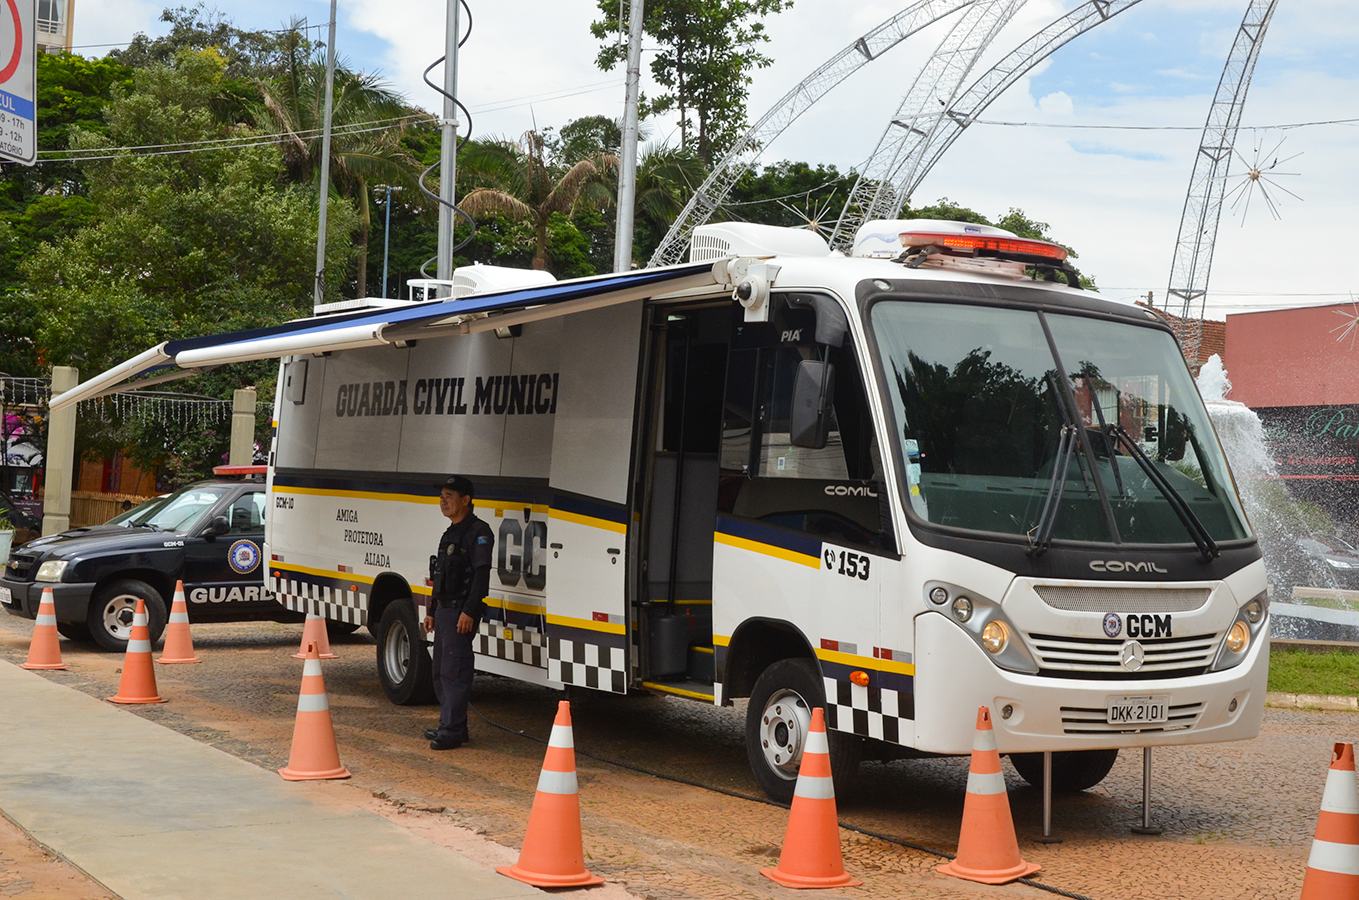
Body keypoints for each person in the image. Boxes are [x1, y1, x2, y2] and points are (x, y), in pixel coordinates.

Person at [422, 475, 494, 750]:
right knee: (440, 671)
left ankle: (450, 731)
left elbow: (481, 576)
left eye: (449, 497)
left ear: (466, 500)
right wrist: (432, 610)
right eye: (441, 497)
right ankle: (452, 725)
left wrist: (470, 611)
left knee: (455, 672)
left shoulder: (478, 532)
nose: (443, 501)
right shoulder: (449, 533)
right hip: (444, 612)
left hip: (460, 613)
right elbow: (439, 576)